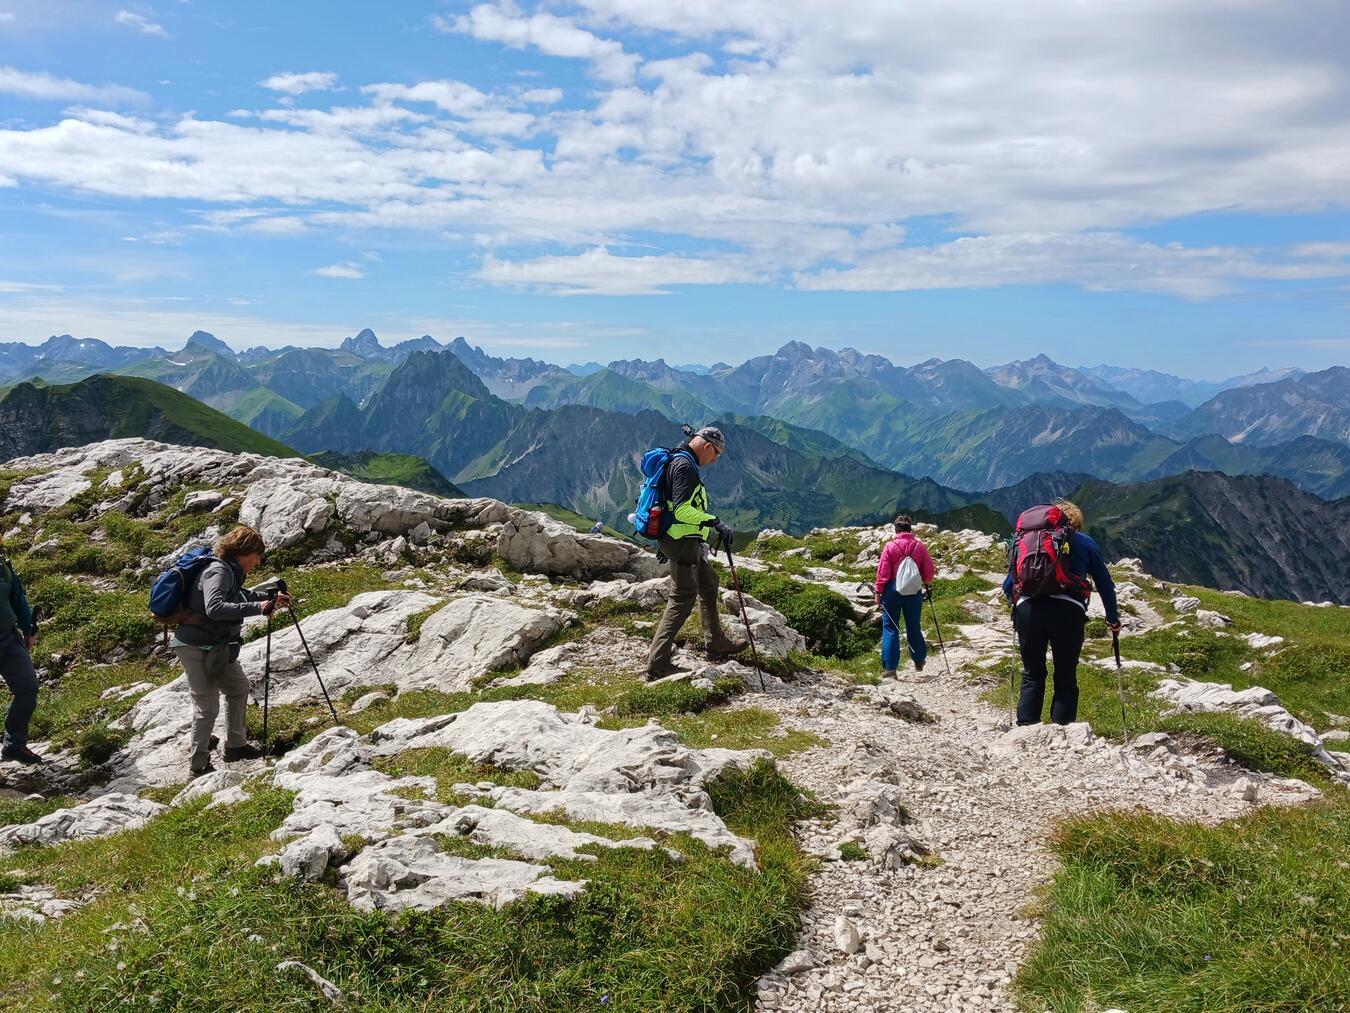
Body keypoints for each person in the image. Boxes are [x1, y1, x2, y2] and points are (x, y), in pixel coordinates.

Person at [173, 525, 290, 777]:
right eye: (255, 556)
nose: (257, 562)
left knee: (238, 688)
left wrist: (270, 599)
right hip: (196, 647)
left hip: (218, 645)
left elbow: (238, 596)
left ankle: (236, 746)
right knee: (207, 706)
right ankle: (198, 765)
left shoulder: (229, 571)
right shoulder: (218, 570)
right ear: (242, 552)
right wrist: (259, 607)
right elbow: (215, 607)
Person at [1002, 500, 1120, 725]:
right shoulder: (1084, 541)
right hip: (1068, 612)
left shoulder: (1027, 541)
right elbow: (1105, 585)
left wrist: (1019, 606)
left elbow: (1008, 586)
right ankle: (1062, 734)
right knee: (1065, 675)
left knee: (1032, 673)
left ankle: (1026, 728)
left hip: (1028, 609)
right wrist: (1112, 620)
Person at [646, 426, 746, 680]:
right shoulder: (685, 467)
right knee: (682, 598)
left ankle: (715, 643)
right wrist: (715, 521)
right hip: (683, 542)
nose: (714, 460)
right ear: (708, 446)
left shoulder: (677, 460)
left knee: (709, 584)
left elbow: (667, 505)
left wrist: (664, 542)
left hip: (679, 540)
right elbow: (680, 510)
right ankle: (657, 664)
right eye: (716, 454)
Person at [873, 515, 934, 678]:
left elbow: (883, 573)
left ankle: (890, 669)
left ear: (896, 529)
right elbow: (928, 574)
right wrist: (926, 582)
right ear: (910, 529)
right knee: (913, 625)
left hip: (892, 591)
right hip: (914, 592)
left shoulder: (890, 546)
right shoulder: (920, 546)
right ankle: (919, 659)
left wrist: (878, 592)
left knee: (890, 627)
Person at [0, 532, 41, 764]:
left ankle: (15, 744)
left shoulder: (2, 565)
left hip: (8, 638)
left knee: (27, 688)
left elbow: (17, 598)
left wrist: (28, 631)